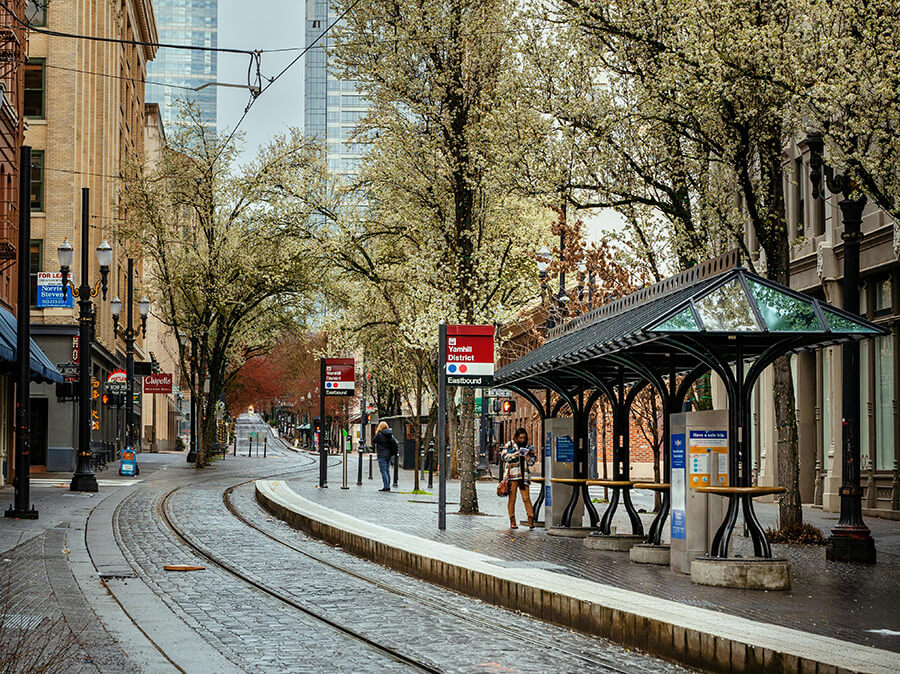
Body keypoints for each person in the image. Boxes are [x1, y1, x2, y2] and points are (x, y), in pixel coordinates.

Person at [500, 428, 536, 529]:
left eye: (524, 438)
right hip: (512, 476)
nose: (522, 440)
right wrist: (515, 454)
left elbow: (532, 462)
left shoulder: (529, 447)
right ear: (516, 437)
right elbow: (504, 457)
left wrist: (527, 456)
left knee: (526, 498)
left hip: (524, 476)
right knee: (512, 499)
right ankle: (512, 520)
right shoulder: (510, 445)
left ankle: (531, 519)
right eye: (520, 437)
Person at [373, 421, 398, 492]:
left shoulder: (379, 435)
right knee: (387, 471)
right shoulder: (390, 434)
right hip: (389, 454)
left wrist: (377, 432)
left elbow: (374, 440)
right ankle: (388, 486)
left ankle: (386, 486)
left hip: (382, 455)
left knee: (383, 471)